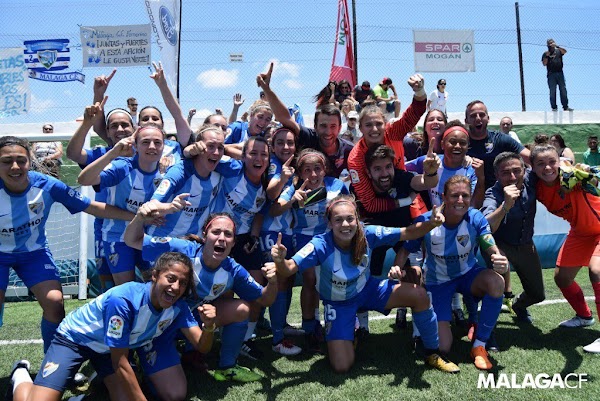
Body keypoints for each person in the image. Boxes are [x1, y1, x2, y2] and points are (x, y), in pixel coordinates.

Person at [270, 194, 460, 374]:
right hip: (339, 304)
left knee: (419, 295)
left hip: (368, 290)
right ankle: (349, 332)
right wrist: (279, 260)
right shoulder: (320, 244)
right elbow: (288, 269)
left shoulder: (368, 233)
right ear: (329, 223)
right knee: (341, 366)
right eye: (338, 220)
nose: (345, 224)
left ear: (357, 219)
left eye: (350, 218)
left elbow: (408, 232)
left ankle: (432, 352)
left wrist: (431, 224)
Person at [7, 252, 216, 401]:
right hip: (75, 340)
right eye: (170, 279)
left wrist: (209, 326)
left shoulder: (177, 305)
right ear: (154, 276)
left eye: (182, 282)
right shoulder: (124, 300)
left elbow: (202, 346)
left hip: (109, 350)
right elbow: (120, 360)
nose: (176, 287)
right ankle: (20, 374)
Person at [0, 136, 133, 353]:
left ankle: (52, 364)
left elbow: (91, 206)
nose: (15, 167)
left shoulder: (47, 185)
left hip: (34, 253)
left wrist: (135, 216)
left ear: (29, 161)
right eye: (6, 161)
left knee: (54, 302)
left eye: (20, 160)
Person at [125, 207, 277, 382]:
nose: (222, 238)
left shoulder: (233, 270)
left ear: (234, 242)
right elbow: (132, 239)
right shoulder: (182, 249)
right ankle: (140, 349)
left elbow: (265, 299)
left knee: (241, 309)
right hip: (159, 320)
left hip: (189, 322)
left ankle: (226, 366)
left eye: (228, 234)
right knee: (172, 393)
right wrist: (140, 217)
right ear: (205, 235)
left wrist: (272, 281)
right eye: (216, 232)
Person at [402, 175, 509, 370]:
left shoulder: (475, 217)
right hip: (437, 282)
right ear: (443, 196)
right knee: (442, 347)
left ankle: (479, 345)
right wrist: (397, 267)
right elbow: (406, 247)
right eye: (454, 195)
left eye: (465, 196)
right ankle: (424, 326)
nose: (460, 200)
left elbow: (487, 240)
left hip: (467, 275)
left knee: (496, 282)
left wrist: (497, 256)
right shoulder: (426, 220)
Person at [270, 148, 349, 352]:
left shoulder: (336, 185)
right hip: (304, 238)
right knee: (310, 279)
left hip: (332, 238)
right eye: (307, 170)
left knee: (336, 279)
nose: (313, 175)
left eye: (317, 169)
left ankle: (342, 323)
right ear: (299, 172)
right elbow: (275, 209)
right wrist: (292, 200)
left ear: (325, 170)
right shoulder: (294, 186)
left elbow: (350, 207)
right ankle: (309, 327)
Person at [530, 144, 600, 353]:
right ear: (532, 167)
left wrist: (588, 173)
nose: (548, 167)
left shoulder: (571, 174)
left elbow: (593, 180)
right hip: (580, 232)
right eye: (541, 164)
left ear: (559, 161)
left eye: (552, 161)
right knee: (562, 278)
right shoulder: (537, 188)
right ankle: (584, 317)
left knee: (596, 271)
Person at [77, 125, 167, 285]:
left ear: (163, 146)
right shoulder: (122, 167)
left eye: (157, 142)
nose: (152, 147)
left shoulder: (167, 173)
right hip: (117, 237)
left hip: (147, 237)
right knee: (126, 289)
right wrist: (113, 153)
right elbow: (84, 180)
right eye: (146, 142)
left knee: (156, 285)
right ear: (136, 146)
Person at [347, 73, 427, 214]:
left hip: (403, 190)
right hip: (376, 207)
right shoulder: (355, 158)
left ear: (386, 124)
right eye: (368, 125)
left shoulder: (393, 132)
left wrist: (419, 91)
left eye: (379, 124)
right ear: (360, 128)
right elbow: (371, 205)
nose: (374, 129)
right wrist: (406, 201)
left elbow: (416, 111)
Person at [257, 63, 354, 178]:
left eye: (333, 126)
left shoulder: (350, 151)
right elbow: (285, 118)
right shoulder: (309, 138)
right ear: (315, 126)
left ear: (339, 128)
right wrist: (267, 89)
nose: (328, 132)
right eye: (323, 126)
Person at [481, 152, 545, 323]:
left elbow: (550, 168)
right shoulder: (493, 193)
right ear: (496, 175)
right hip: (499, 244)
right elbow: (486, 226)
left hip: (525, 244)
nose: (512, 177)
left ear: (525, 170)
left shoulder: (531, 179)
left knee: (537, 294)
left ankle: (518, 306)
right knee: (497, 275)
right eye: (505, 173)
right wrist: (505, 206)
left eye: (517, 171)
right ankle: (488, 326)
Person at [147, 124, 225, 239]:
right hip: (163, 239)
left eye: (220, 147)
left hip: (192, 241)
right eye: (211, 146)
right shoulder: (179, 171)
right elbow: (152, 205)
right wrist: (169, 208)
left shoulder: (221, 172)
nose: (216, 152)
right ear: (198, 146)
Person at [464, 100, 530, 190]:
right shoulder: (460, 142)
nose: (478, 118)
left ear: (488, 118)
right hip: (467, 195)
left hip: (496, 195)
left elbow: (530, 158)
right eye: (473, 116)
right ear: (466, 120)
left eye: (482, 115)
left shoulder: (500, 139)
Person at [542, 38, 573, 112]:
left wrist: (557, 46)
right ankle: (554, 108)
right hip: (551, 74)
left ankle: (565, 107)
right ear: (547, 45)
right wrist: (546, 56)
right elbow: (544, 64)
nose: (551, 44)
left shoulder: (558, 51)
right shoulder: (545, 53)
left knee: (563, 89)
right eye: (549, 43)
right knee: (552, 91)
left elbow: (565, 51)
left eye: (552, 42)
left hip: (560, 73)